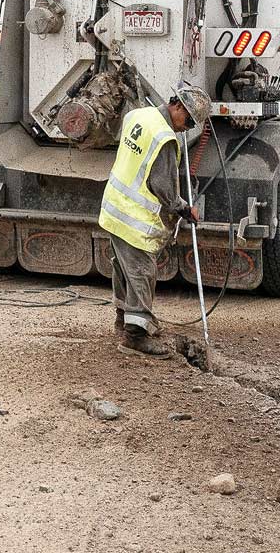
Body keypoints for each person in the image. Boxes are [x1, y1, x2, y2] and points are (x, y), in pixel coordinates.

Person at [98, 81, 210, 358]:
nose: (187, 128)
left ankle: (123, 322)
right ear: (177, 106)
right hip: (134, 219)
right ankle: (135, 337)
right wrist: (185, 209)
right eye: (188, 120)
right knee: (142, 274)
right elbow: (164, 189)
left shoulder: (137, 116)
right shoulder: (164, 138)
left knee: (124, 270)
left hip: (114, 209)